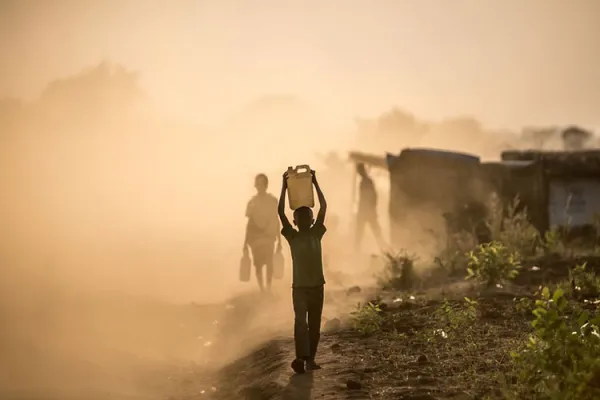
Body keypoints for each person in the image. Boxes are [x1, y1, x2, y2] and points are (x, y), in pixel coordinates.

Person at [278, 169, 327, 374]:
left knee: (314, 326)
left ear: (313, 220)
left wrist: (315, 182)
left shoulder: (316, 233)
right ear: (295, 222)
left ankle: (309, 360)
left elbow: (324, 206)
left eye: (307, 216)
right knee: (301, 324)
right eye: (300, 217)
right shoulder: (293, 236)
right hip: (300, 288)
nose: (304, 220)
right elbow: (281, 212)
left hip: (316, 286)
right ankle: (301, 357)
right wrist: (284, 187)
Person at [243, 173, 281, 292]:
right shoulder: (252, 202)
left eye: (261, 184)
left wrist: (280, 240)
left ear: (266, 185)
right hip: (255, 239)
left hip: (268, 237)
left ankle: (268, 288)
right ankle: (262, 290)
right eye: (258, 184)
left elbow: (276, 219)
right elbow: (249, 224)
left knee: (269, 263)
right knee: (258, 264)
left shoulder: (272, 201)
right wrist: (245, 243)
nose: (259, 186)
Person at [355, 162, 384, 250]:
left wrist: (372, 208)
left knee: (375, 232)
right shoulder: (365, 181)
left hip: (367, 211)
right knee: (360, 232)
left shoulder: (367, 181)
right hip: (365, 211)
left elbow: (374, 196)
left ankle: (383, 248)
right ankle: (357, 249)